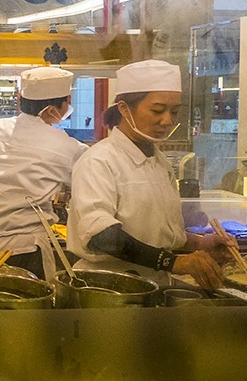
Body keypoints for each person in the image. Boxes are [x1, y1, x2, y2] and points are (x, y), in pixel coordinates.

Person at [68, 60, 235, 289]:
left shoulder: (159, 162)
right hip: (108, 287)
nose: (167, 120)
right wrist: (173, 262)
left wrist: (200, 244)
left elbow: (159, 232)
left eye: (174, 111)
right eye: (157, 110)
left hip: (154, 284)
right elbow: (101, 236)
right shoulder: (99, 161)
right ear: (124, 108)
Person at [0, 67, 87, 281]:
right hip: (26, 251)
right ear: (53, 109)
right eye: (68, 101)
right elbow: (88, 184)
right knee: (26, 301)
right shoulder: (67, 147)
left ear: (21, 100)